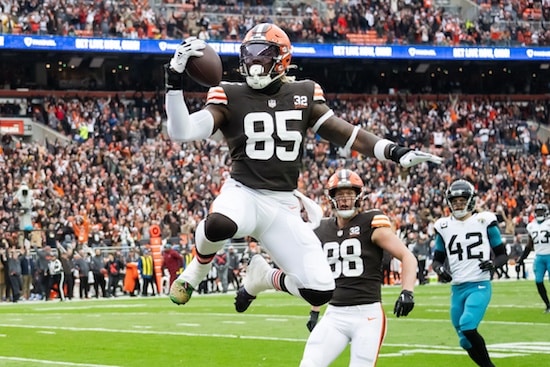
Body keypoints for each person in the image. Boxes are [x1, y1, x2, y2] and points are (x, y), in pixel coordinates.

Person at [165, 23, 442, 309]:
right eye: (249, 54)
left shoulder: (304, 93)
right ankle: (195, 272)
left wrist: (394, 151)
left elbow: (345, 132)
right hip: (243, 192)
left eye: (263, 53)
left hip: (282, 203)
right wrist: (174, 80)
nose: (254, 61)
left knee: (319, 291)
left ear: (282, 57)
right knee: (221, 222)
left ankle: (262, 277)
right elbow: (182, 132)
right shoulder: (229, 94)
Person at [299, 169, 417, 367]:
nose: (345, 200)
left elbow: (407, 257)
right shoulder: (322, 229)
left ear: (358, 197)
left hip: (367, 315)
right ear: (331, 198)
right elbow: (317, 274)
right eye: (340, 194)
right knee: (309, 364)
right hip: (334, 314)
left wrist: (407, 292)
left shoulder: (371, 223)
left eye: (350, 194)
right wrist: (314, 310)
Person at [431, 179, 508, 367]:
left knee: (467, 325)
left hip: (479, 285)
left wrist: (493, 264)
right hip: (457, 288)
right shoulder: (443, 226)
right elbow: (437, 259)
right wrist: (440, 270)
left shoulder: (485, 220)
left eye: (462, 200)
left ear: (471, 200)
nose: (458, 204)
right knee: (464, 340)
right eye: (455, 200)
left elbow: (502, 255)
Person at [516, 203, 550, 312]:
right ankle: (548, 305)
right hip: (539, 257)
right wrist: (521, 259)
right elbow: (530, 245)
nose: (539, 214)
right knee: (538, 281)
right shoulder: (531, 226)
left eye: (541, 212)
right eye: (538, 212)